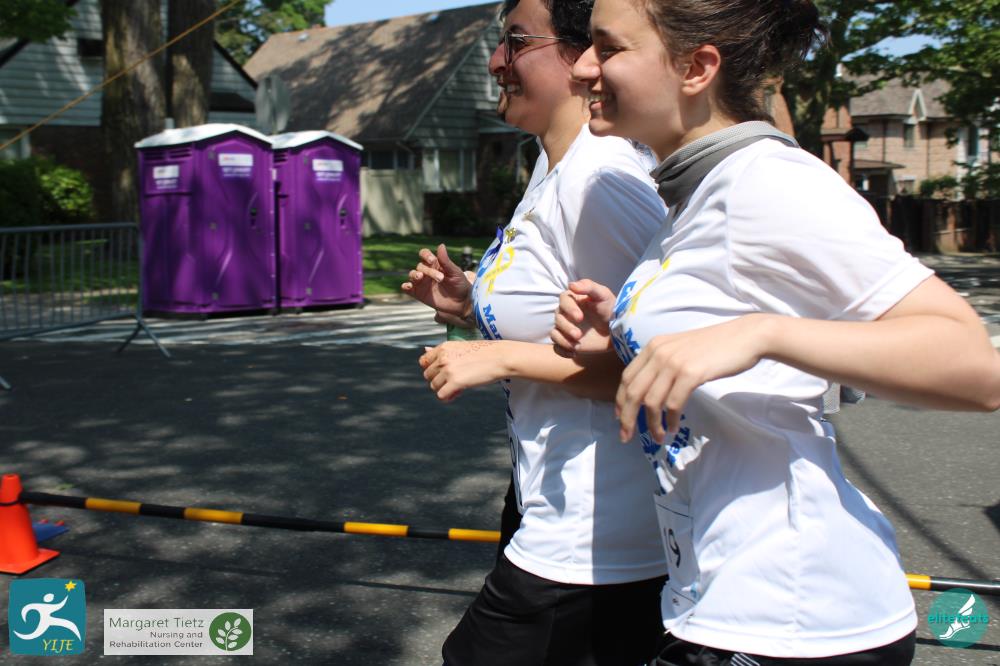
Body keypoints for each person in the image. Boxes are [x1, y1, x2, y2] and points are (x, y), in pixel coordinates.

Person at [550, 0, 1000, 664]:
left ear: (697, 67)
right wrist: (627, 333)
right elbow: (727, 337)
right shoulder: (694, 192)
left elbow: (973, 366)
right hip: (718, 599)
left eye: (608, 47)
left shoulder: (767, 182)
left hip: (795, 615)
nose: (583, 67)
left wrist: (764, 333)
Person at [402, 1, 671, 664]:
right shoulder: (554, 168)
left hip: (599, 532)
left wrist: (501, 357)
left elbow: (661, 362)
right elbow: (565, 311)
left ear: (582, 56)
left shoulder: (601, 180)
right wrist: (469, 301)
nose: (497, 62)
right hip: (543, 499)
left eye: (516, 42)